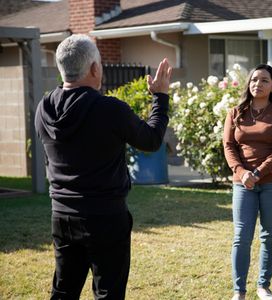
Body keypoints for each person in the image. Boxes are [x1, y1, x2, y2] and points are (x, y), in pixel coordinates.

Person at [35, 34, 172, 299]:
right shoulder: (110, 109)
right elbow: (152, 140)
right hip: (105, 218)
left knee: (63, 291)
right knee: (108, 293)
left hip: (61, 216)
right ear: (95, 68)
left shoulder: (44, 107)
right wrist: (161, 98)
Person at [223, 64, 272, 300]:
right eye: (254, 79)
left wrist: (258, 173)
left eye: (264, 80)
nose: (258, 84)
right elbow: (229, 146)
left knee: (269, 234)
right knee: (241, 235)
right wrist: (242, 172)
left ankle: (263, 286)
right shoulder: (235, 113)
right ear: (248, 84)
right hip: (243, 183)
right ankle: (239, 290)